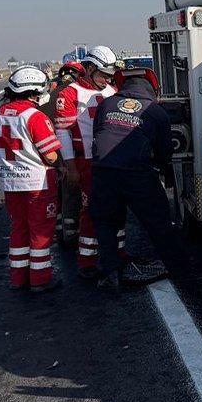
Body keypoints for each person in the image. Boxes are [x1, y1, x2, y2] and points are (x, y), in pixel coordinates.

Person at [89, 66, 182, 292]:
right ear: (152, 88)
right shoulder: (155, 111)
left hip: (103, 171)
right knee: (158, 221)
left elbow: (98, 134)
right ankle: (180, 271)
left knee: (105, 223)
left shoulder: (106, 105)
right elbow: (164, 151)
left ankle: (109, 275)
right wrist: (160, 169)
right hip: (137, 174)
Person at [0, 66, 63, 292]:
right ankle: (41, 279)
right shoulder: (35, 116)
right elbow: (50, 155)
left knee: (18, 228)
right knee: (40, 232)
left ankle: (18, 277)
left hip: (10, 183)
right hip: (38, 184)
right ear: (34, 91)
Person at [53, 46, 119, 277]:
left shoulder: (112, 91)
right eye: (103, 74)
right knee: (90, 210)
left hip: (111, 161)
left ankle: (118, 254)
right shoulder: (69, 94)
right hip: (87, 163)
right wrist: (70, 165)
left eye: (110, 75)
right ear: (89, 68)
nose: (107, 79)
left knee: (116, 209)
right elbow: (63, 132)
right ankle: (87, 260)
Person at [41, 60, 84, 245]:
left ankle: (60, 229)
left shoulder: (48, 96)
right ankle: (71, 234)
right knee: (72, 194)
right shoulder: (73, 96)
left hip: (49, 153)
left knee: (57, 193)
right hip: (68, 153)